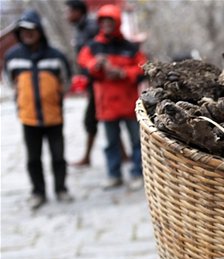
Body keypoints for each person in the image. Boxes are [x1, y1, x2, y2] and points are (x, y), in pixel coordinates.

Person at [4, 9, 73, 210]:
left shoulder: (55, 56)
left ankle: (61, 188)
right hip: (29, 117)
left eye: (31, 30)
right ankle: (38, 192)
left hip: (54, 116)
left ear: (40, 31)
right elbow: (9, 82)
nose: (27, 34)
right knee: (33, 158)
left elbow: (66, 81)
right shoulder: (13, 57)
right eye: (23, 30)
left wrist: (53, 96)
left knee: (58, 156)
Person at [77, 3, 145, 190]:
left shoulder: (130, 47)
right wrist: (95, 65)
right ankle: (113, 174)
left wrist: (123, 73)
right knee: (110, 142)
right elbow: (83, 64)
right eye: (103, 21)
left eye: (110, 21)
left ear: (117, 22)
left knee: (136, 142)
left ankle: (138, 172)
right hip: (106, 104)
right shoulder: (93, 46)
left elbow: (142, 68)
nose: (106, 25)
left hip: (128, 101)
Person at [65, 0, 98, 167]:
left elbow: (94, 54)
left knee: (91, 119)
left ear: (79, 12)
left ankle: (87, 156)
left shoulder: (91, 28)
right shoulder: (80, 28)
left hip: (98, 80)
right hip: (90, 81)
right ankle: (122, 154)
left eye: (70, 11)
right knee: (104, 117)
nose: (67, 15)